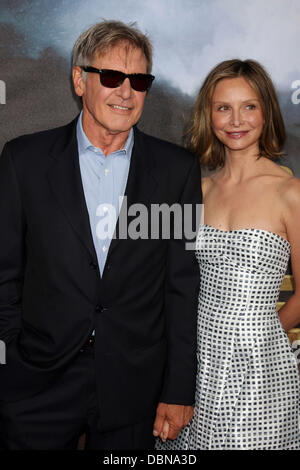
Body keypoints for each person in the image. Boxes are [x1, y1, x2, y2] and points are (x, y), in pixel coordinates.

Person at [0, 20, 202, 450]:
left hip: (135, 385)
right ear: (80, 80)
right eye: (111, 77)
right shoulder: (24, 161)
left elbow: (181, 287)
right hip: (38, 383)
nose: (125, 92)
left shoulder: (176, 171)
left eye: (139, 80)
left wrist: (179, 388)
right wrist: (12, 360)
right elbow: (4, 273)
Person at [156, 59, 300, 450]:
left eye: (249, 106)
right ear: (209, 115)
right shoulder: (196, 192)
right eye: (223, 107)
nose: (236, 120)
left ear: (267, 111)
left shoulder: (291, 193)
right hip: (195, 363)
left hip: (261, 369)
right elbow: (170, 279)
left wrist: (262, 334)